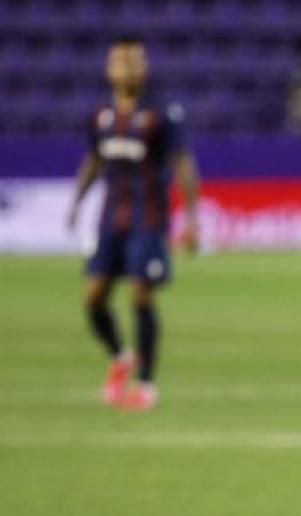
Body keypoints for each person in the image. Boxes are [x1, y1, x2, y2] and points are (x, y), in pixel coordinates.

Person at [67, 35, 200, 411]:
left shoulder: (161, 114)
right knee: (93, 296)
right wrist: (76, 202)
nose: (128, 68)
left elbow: (183, 164)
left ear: (145, 67)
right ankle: (120, 356)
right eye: (121, 61)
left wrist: (191, 219)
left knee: (141, 292)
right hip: (111, 218)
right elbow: (94, 160)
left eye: (135, 61)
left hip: (149, 217)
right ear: (109, 69)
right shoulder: (101, 116)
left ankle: (145, 384)